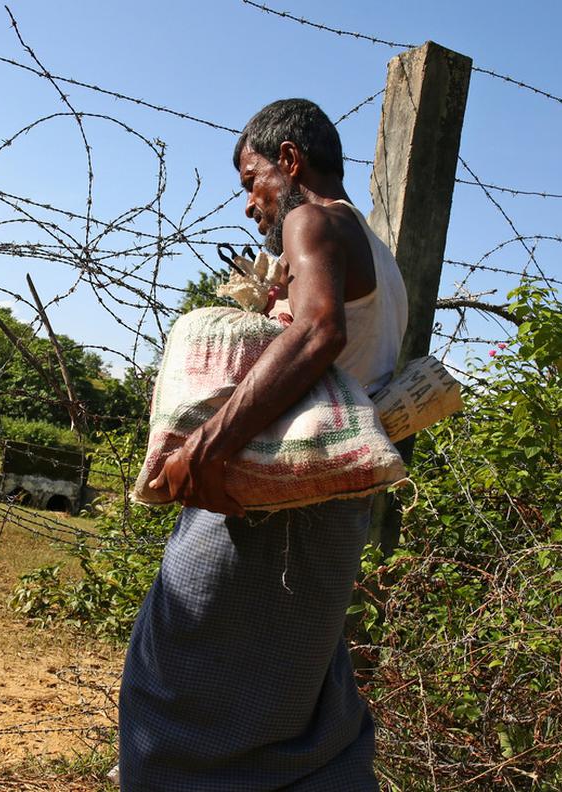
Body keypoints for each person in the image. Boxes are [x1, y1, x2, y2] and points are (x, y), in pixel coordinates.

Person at [118, 98, 407, 790]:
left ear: (290, 160)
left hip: (270, 512)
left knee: (170, 695)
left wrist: (209, 446)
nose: (251, 205)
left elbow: (317, 334)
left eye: (252, 182)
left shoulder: (316, 219)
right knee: (294, 716)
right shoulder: (374, 251)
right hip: (331, 518)